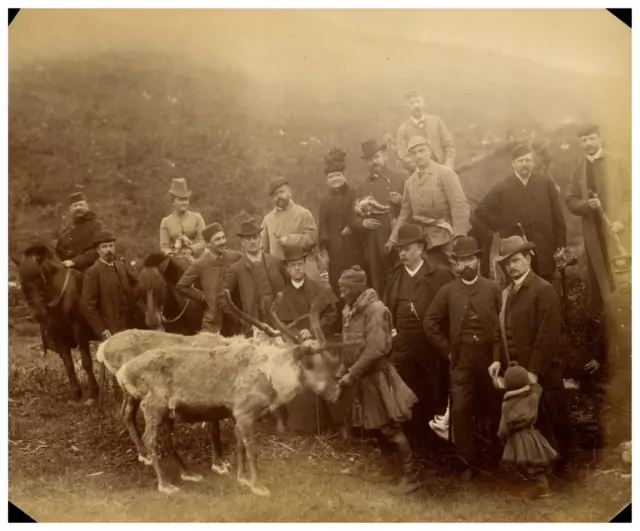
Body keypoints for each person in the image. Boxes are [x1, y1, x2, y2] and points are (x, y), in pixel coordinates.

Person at [565, 123, 631, 447]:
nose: (588, 142)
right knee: (601, 297)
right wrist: (584, 207)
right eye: (583, 139)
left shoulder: (617, 161)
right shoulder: (579, 167)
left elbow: (633, 194)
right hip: (594, 241)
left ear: (600, 138)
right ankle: (607, 352)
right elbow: (570, 199)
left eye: (592, 137)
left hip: (619, 235)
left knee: (625, 287)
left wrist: (623, 219)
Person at [335, 265, 420, 494]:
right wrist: (342, 371)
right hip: (362, 377)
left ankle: (410, 476)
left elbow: (376, 349)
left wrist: (352, 374)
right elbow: (349, 347)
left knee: (390, 427)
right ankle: (388, 470)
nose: (340, 293)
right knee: (375, 428)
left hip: (377, 377)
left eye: (345, 288)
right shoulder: (349, 310)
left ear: (357, 288)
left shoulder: (376, 310)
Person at [423, 236, 503, 479]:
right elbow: (430, 322)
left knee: (495, 407)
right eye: (460, 261)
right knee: (460, 408)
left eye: (470, 259)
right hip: (461, 359)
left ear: (478, 260)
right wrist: (448, 350)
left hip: (490, 359)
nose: (465, 265)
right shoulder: (448, 291)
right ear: (455, 264)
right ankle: (467, 463)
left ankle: (497, 459)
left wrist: (498, 357)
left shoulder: (493, 289)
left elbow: (503, 325)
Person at [494, 235, 572, 473]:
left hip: (543, 370)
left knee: (552, 415)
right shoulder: (507, 293)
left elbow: (547, 336)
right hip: (517, 370)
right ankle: (536, 466)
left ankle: (564, 467)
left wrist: (535, 371)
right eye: (507, 264)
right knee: (527, 420)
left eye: (516, 260)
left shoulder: (543, 290)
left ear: (528, 259)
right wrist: (497, 359)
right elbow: (500, 330)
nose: (511, 267)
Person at [383, 223, 454, 449]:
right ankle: (409, 442)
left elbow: (451, 309)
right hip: (402, 345)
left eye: (407, 248)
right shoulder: (394, 276)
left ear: (421, 249)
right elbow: (386, 310)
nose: (402, 253)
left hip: (431, 345)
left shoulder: (440, 275)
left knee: (433, 391)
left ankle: (434, 443)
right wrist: (393, 334)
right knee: (404, 391)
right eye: (400, 249)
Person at [474, 143, 567, 282]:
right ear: (513, 164)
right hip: (517, 250)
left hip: (545, 247)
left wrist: (561, 244)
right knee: (520, 285)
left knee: (547, 286)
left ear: (533, 162)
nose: (524, 164)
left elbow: (557, 215)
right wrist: (502, 226)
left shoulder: (545, 183)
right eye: (520, 161)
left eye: (528, 160)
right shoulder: (503, 187)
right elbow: (480, 210)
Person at [275, 244, 341, 434]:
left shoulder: (318, 288)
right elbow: (283, 326)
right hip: (297, 349)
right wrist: (297, 335)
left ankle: (335, 423)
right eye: (293, 265)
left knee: (326, 371)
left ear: (304, 265)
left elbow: (332, 314)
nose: (297, 268)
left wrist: (314, 329)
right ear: (287, 269)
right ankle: (305, 426)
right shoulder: (283, 296)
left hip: (320, 344)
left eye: (300, 264)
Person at [387, 135, 471, 270]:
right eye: (413, 153)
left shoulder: (445, 173)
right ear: (410, 157)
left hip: (448, 235)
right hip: (425, 239)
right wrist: (393, 239)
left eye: (421, 150)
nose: (418, 156)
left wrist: (459, 235)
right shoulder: (410, 183)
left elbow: (459, 206)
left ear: (429, 151)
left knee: (457, 272)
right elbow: (404, 214)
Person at [353, 139, 406, 296]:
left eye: (376, 157)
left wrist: (402, 200)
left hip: (400, 239)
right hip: (375, 243)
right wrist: (363, 223)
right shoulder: (363, 187)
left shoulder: (400, 178)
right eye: (369, 159)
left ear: (384, 156)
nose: (374, 162)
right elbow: (352, 219)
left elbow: (413, 207)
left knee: (403, 280)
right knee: (380, 284)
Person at [498, 361, 558, 499]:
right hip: (532, 435)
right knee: (535, 463)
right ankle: (539, 488)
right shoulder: (532, 396)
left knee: (525, 464)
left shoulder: (507, 403)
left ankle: (541, 488)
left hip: (517, 438)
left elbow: (504, 426)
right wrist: (530, 380)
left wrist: (502, 436)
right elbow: (538, 388)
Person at [218, 217, 286, 337]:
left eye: (255, 237)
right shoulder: (236, 269)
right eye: (248, 238)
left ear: (260, 238)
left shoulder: (275, 262)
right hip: (253, 328)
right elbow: (222, 299)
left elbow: (289, 287)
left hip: (279, 323)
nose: (252, 241)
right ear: (242, 242)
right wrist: (241, 319)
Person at [176, 222, 243, 335]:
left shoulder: (235, 257)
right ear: (207, 244)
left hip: (236, 322)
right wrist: (203, 296)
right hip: (213, 324)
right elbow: (181, 286)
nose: (222, 242)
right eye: (217, 239)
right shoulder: (200, 264)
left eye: (223, 237)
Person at [80, 230, 142, 341]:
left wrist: (131, 298)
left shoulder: (121, 266)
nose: (109, 250)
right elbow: (87, 305)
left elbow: (138, 283)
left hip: (130, 324)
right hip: (111, 328)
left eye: (111, 246)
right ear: (98, 250)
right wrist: (101, 329)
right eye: (104, 247)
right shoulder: (93, 272)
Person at [318, 148, 364, 296]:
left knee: (355, 286)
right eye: (331, 177)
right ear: (327, 180)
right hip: (335, 254)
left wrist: (350, 227)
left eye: (337, 175)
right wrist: (325, 251)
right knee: (337, 289)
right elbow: (323, 226)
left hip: (354, 250)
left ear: (343, 175)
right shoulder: (325, 201)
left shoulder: (354, 193)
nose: (334, 179)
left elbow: (358, 214)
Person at [261, 177, 325, 283]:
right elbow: (263, 250)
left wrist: (290, 240)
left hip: (303, 269)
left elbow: (313, 239)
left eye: (281, 192)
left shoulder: (303, 214)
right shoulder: (268, 220)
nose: (278, 197)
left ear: (289, 192)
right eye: (274, 195)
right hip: (280, 273)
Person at [396, 88, 455, 172]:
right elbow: (403, 156)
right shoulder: (403, 130)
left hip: (443, 169)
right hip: (419, 174)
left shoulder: (436, 121)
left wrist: (448, 167)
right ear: (407, 107)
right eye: (412, 103)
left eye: (418, 101)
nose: (416, 106)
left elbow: (448, 146)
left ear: (423, 103)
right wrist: (422, 170)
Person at [159, 178, 206, 266]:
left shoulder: (197, 217)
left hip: (197, 258)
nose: (184, 202)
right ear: (173, 201)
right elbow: (164, 246)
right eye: (181, 199)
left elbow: (204, 241)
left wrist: (191, 249)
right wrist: (171, 253)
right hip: (175, 259)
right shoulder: (166, 222)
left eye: (186, 199)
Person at [55, 191, 103, 273]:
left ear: (87, 206)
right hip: (66, 269)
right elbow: (58, 249)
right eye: (75, 206)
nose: (78, 208)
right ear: (70, 209)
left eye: (81, 205)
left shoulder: (95, 224)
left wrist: (74, 262)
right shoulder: (67, 227)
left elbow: (97, 250)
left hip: (88, 270)